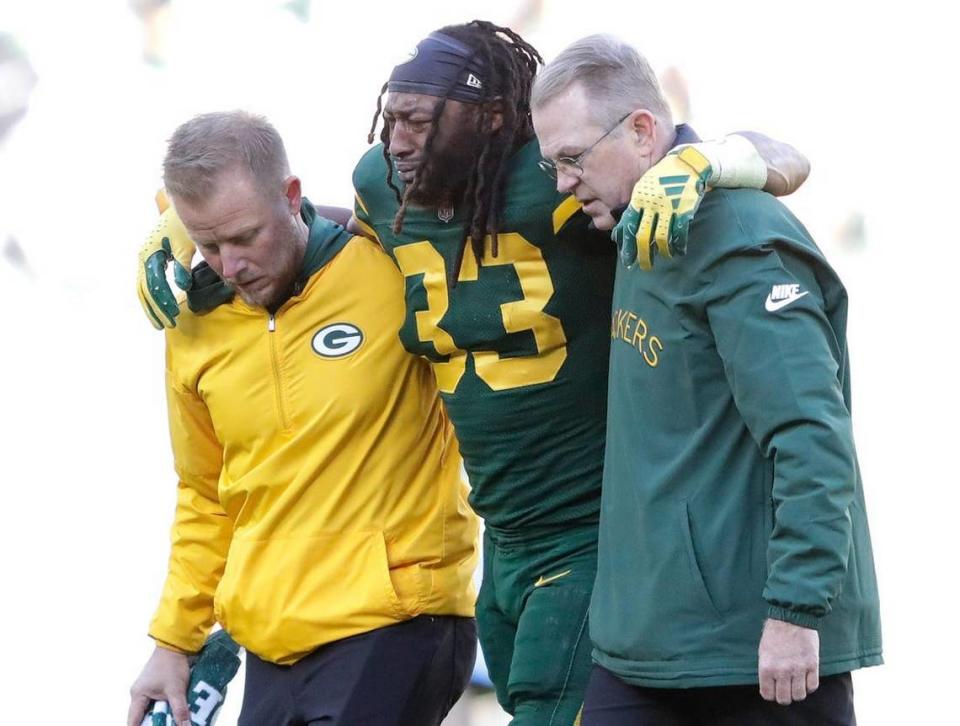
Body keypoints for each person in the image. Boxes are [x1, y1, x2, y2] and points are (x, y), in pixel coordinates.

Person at [136, 21, 810, 725]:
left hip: (593, 526)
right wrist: (191, 231)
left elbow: (782, 159)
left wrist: (710, 161)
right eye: (390, 118)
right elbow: (317, 233)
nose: (396, 141)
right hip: (503, 536)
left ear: (490, 120)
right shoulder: (382, 188)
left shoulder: (554, 176)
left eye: (418, 122)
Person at [531, 35, 882, 725]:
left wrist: (794, 611)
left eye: (572, 159)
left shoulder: (738, 234)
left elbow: (810, 434)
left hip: (755, 653)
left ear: (641, 131)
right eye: (553, 165)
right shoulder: (640, 225)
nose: (565, 185)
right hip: (648, 646)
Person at [126, 111, 479, 726]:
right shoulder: (193, 327)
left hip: (396, 620)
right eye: (209, 244)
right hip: (272, 641)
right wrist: (174, 640)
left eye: (245, 237)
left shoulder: (389, 267)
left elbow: (468, 201)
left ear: (292, 197)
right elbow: (207, 497)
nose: (230, 265)